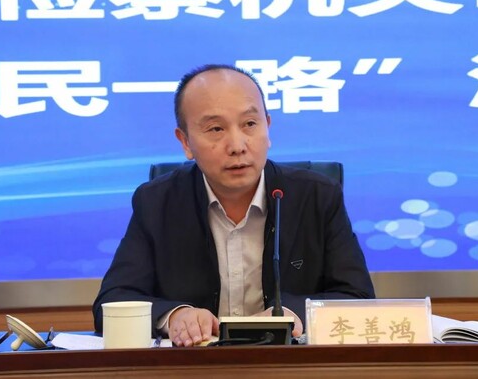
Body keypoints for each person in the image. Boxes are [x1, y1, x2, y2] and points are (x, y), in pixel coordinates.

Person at [93, 64, 375, 347]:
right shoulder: (157, 202)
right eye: (216, 128)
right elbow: (112, 303)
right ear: (185, 142)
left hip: (287, 365)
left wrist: (295, 312)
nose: (237, 145)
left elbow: (359, 299)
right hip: (196, 366)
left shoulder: (317, 196)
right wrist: (175, 315)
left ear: (268, 126)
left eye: (250, 124)